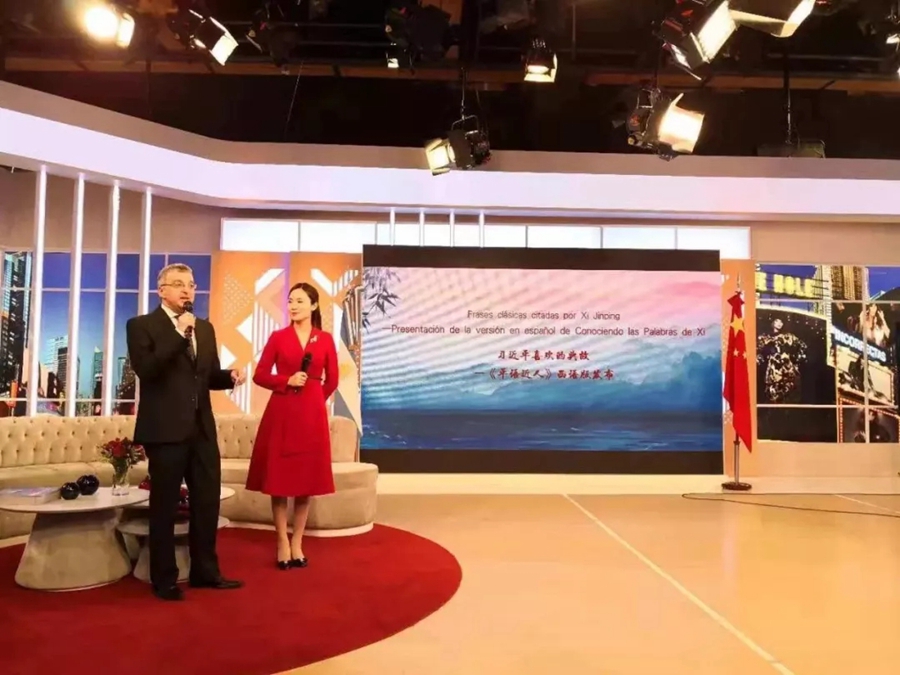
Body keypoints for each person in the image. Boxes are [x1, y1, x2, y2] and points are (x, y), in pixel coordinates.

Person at [126, 263, 246, 601]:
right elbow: (147, 370)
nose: (186, 290)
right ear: (161, 290)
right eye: (178, 284)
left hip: (202, 429)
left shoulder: (204, 328)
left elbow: (206, 377)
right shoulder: (141, 326)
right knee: (164, 506)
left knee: (206, 502)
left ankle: (205, 572)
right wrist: (179, 335)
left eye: (191, 285)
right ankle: (164, 578)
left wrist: (229, 377)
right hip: (164, 431)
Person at [247, 282, 339, 569]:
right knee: (279, 479)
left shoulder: (324, 339)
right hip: (282, 411)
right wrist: (286, 380)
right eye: (290, 301)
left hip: (311, 415)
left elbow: (333, 379)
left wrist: (314, 399)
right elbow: (260, 375)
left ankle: (297, 541)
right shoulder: (278, 337)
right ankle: (281, 541)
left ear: (313, 305)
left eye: (300, 301)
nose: (293, 305)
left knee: (304, 481)